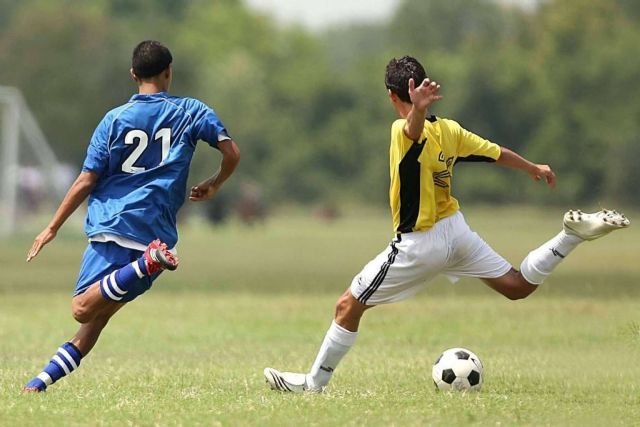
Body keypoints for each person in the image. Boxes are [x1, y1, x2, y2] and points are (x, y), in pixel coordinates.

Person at [263, 55, 629, 392]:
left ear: (392, 96)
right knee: (517, 285)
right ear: (421, 87)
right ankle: (569, 236)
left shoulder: (400, 129)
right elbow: (495, 152)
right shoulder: (450, 130)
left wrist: (415, 112)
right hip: (456, 230)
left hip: (419, 243)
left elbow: (411, 131)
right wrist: (533, 167)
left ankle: (314, 384)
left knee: (347, 306)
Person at [23, 40, 240, 392]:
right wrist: (214, 184)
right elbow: (231, 152)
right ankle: (39, 383)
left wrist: (51, 227)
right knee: (95, 321)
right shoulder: (191, 111)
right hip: (156, 231)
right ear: (169, 72)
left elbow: (86, 179)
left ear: (133, 75)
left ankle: (144, 264)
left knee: (81, 308)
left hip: (114, 225)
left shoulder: (113, 120)